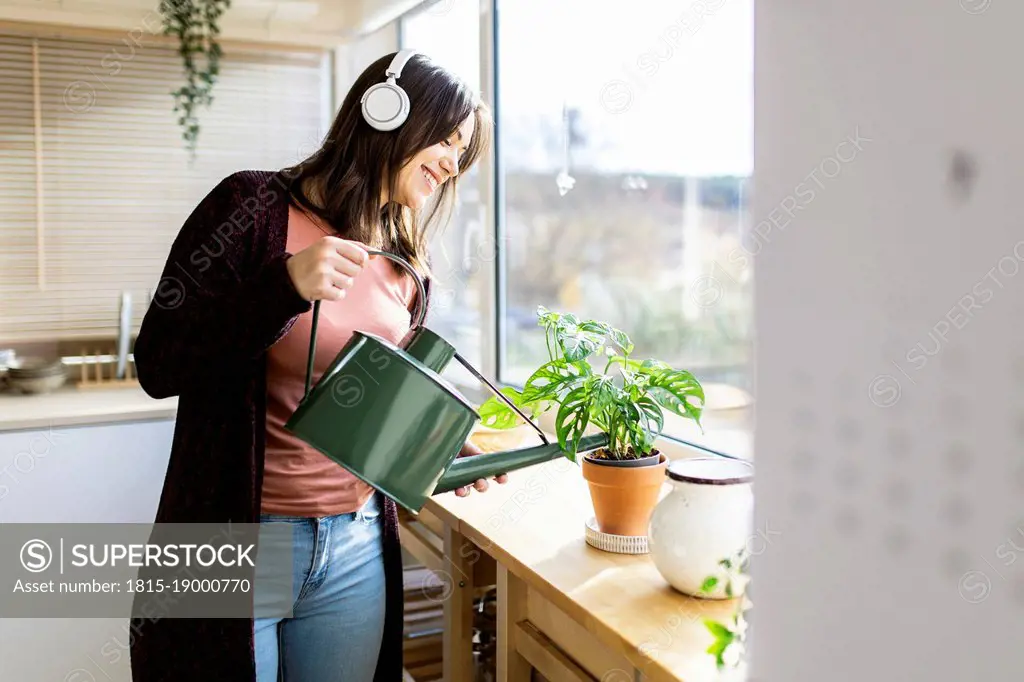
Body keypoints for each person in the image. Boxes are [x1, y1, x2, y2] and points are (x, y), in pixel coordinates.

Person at [129, 50, 498, 682]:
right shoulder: (250, 207)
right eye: (443, 138)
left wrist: (430, 442)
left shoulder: (405, 259)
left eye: (461, 149)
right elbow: (159, 363)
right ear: (387, 111)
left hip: (354, 547)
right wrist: (283, 286)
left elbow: (368, 405)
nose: (451, 161)